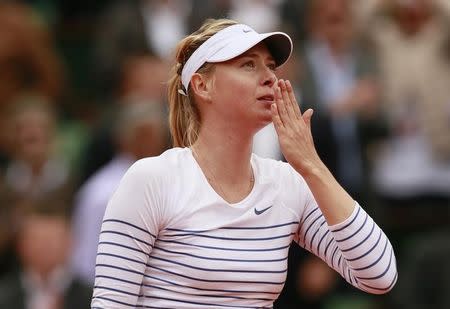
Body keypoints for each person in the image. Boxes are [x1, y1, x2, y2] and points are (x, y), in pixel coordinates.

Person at [91, 18, 398, 308]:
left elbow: (380, 274)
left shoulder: (287, 183)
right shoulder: (152, 179)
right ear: (202, 85)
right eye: (248, 65)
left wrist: (312, 166)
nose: (269, 77)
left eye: (271, 66)